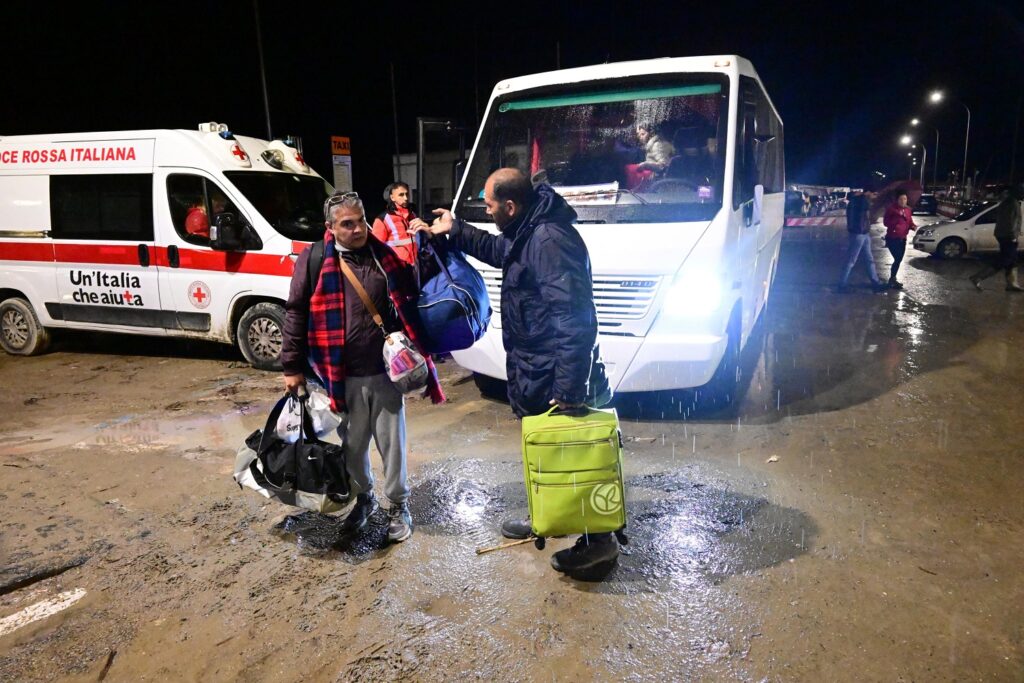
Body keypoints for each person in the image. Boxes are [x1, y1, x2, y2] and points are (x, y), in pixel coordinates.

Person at [412, 168, 617, 575]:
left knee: (577, 455)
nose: (488, 213)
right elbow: (501, 251)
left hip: (554, 372)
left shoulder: (549, 241)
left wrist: (569, 386)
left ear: (510, 205)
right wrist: (457, 229)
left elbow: (575, 318)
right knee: (547, 453)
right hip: (535, 368)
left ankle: (600, 545)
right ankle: (549, 514)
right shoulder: (529, 229)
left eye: (489, 206)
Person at [280, 191, 445, 544]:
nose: (358, 229)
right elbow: (295, 312)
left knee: (393, 444)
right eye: (347, 224)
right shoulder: (313, 260)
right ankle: (364, 497)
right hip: (341, 377)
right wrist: (291, 366)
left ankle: (398, 505)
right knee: (352, 447)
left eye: (362, 221)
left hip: (386, 373)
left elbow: (414, 290)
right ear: (330, 227)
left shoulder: (382, 255)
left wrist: (432, 239)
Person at [970, 184, 1024, 292]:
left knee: (1012, 260)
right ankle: (978, 277)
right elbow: (1010, 221)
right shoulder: (1012, 203)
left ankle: (1012, 284)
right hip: (1008, 235)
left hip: (1003, 234)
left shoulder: (1006, 203)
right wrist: (1013, 235)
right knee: (1005, 260)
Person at [838, 188, 888, 293]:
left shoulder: (857, 200)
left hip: (862, 232)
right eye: (874, 194)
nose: (875, 196)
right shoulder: (862, 201)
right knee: (852, 260)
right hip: (859, 233)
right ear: (868, 192)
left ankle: (875, 282)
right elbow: (870, 216)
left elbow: (864, 217)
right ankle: (842, 285)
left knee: (868, 259)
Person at [371, 182, 419, 266]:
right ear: (392, 197)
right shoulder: (382, 219)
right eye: (401, 195)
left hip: (417, 265)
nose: (406, 198)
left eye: (407, 194)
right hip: (397, 267)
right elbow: (376, 249)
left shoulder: (413, 215)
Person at [625, 121, 675, 190]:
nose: (640, 137)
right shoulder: (649, 145)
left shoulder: (657, 145)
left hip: (659, 183)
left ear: (651, 134)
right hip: (654, 180)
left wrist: (646, 165)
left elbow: (663, 165)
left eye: (643, 134)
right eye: (638, 135)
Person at [882, 190, 916, 289]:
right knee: (897, 258)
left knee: (899, 259)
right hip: (892, 238)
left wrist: (912, 226)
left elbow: (909, 222)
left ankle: (893, 279)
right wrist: (896, 221)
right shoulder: (891, 209)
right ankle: (892, 279)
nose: (903, 201)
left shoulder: (908, 210)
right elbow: (886, 223)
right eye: (901, 199)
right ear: (897, 200)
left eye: (905, 199)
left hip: (903, 239)